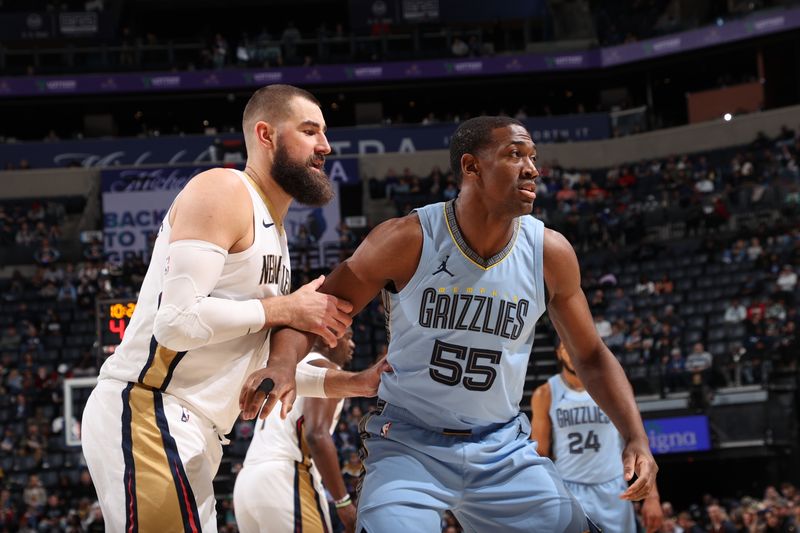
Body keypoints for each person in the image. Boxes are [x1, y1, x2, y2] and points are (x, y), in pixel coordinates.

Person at [241, 116, 658, 532]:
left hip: (501, 448)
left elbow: (591, 355)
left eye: (533, 156)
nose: (532, 168)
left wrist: (635, 436)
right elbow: (312, 314)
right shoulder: (408, 239)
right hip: (409, 445)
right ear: (471, 167)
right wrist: (281, 364)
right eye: (515, 155)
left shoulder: (550, 252)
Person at [81, 84, 385, 532]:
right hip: (150, 408)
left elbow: (256, 366)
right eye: (309, 131)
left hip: (196, 428)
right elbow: (175, 323)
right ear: (265, 135)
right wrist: (284, 309)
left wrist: (354, 383)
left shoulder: (275, 236)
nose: (326, 146)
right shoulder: (223, 188)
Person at [531, 342, 664, 532]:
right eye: (565, 348)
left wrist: (652, 498)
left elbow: (637, 442)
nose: (571, 351)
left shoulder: (613, 387)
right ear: (559, 354)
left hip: (614, 487)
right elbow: (540, 453)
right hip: (568, 488)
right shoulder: (545, 393)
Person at [233, 328, 357, 533]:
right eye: (348, 337)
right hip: (286, 479)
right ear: (329, 338)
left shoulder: (287, 369)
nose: (352, 345)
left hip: (248, 483)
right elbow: (316, 434)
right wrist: (343, 503)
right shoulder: (325, 368)